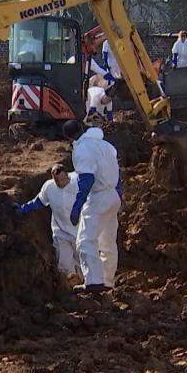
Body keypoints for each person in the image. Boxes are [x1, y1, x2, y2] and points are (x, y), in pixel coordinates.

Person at [62, 119, 121, 293]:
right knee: (108, 242)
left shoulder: (82, 149)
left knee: (85, 240)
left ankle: (93, 282)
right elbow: (116, 172)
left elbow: (87, 179)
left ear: (69, 137)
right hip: (112, 194)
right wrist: (118, 194)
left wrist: (77, 205)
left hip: (99, 196)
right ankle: (108, 281)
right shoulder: (106, 145)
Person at [15, 164, 81, 280]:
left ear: (67, 175)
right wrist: (24, 208)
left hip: (80, 231)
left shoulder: (78, 182)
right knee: (64, 265)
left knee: (83, 261)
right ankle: (70, 286)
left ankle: (86, 284)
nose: (60, 183)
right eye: (57, 181)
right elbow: (39, 201)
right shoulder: (49, 187)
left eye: (63, 180)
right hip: (61, 232)